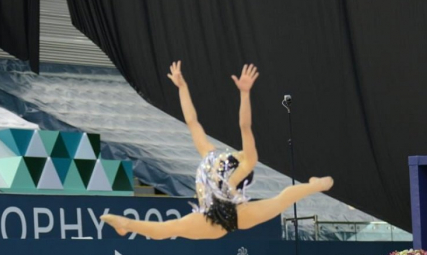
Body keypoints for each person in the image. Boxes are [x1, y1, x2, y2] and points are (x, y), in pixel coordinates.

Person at [102, 61, 333, 239]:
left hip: (235, 215)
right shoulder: (210, 154)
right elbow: (192, 121)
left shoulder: (244, 164)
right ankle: (126, 225)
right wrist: (182, 87)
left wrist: (244, 93)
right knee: (166, 229)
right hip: (209, 217)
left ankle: (314, 185)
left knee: (281, 199)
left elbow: (245, 126)